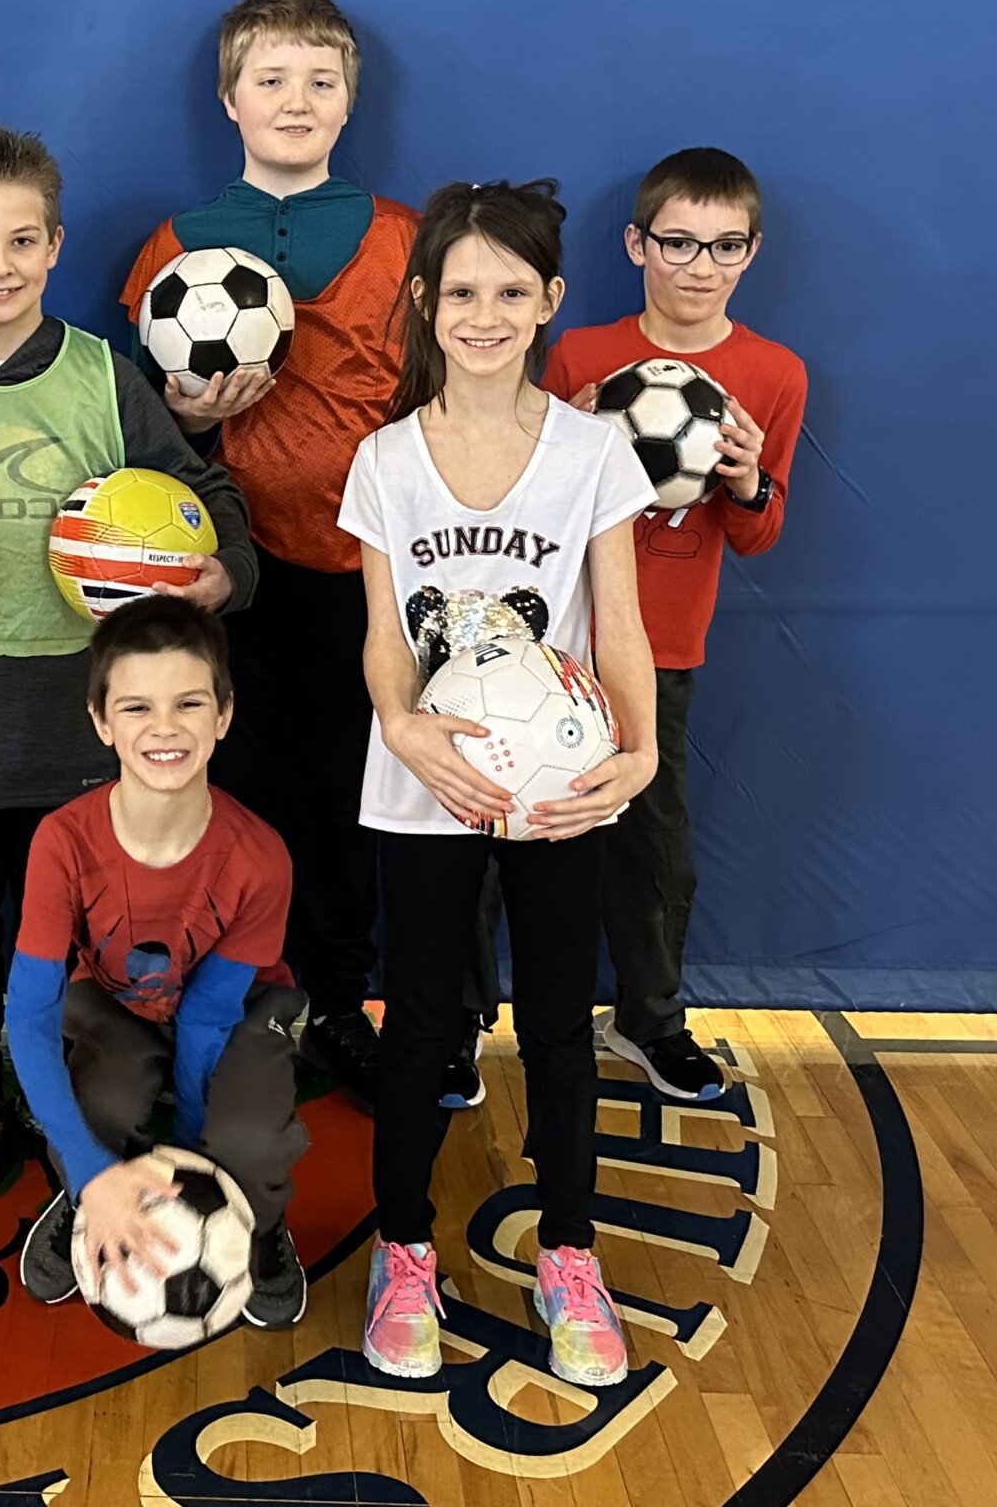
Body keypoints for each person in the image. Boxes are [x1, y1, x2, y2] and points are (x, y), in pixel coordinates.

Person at [340, 183, 658, 1389]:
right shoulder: (386, 460)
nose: (483, 314)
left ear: (549, 303)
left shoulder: (592, 452)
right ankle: (404, 1250)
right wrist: (402, 727)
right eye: (460, 291)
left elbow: (619, 624)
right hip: (424, 782)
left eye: (510, 292)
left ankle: (571, 1255)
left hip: (559, 790)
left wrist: (635, 754)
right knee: (418, 1024)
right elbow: (381, 633)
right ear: (423, 301)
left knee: (559, 1029)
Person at [0, 125, 256, 1203]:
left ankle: (96, 1093)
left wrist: (221, 575)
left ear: (55, 246)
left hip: (86, 715)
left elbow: (215, 500)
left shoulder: (105, 376)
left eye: (19, 241)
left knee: (103, 930)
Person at [118, 0, 415, 1112]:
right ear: (229, 100)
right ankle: (219, 1003)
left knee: (347, 797)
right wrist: (196, 416)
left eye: (320, 82)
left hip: (364, 574)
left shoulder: (402, 238)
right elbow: (142, 429)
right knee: (221, 789)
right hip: (223, 580)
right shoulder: (176, 246)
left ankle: (339, 1000)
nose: (296, 101)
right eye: (272, 80)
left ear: (349, 103)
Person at [541, 148, 806, 1101]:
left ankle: (649, 1023)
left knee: (656, 853)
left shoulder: (772, 373)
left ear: (752, 252)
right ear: (636, 243)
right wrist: (562, 442)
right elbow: (526, 510)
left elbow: (762, 534)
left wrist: (746, 477)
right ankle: (464, 1023)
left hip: (664, 652)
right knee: (513, 838)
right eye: (679, 242)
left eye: (724, 246)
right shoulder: (579, 356)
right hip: (559, 646)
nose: (700, 265)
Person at [5, 598, 310, 1331]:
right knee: (97, 1108)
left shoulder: (260, 855)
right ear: (102, 722)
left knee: (246, 1143)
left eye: (189, 703)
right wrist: (88, 1167)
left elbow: (210, 1011)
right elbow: (27, 1013)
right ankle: (86, 1198)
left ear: (223, 715)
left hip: (238, 1011)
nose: (165, 727)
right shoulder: (62, 842)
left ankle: (256, 1228)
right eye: (137, 707)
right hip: (114, 1000)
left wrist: (197, 1166)